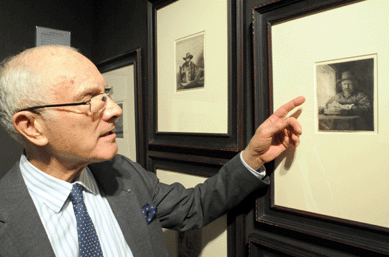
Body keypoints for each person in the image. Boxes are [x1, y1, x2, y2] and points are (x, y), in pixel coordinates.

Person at [0, 45, 305, 257]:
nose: (115, 110)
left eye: (106, 94)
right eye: (90, 100)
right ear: (32, 127)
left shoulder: (122, 172)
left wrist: (253, 156)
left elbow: (193, 206)